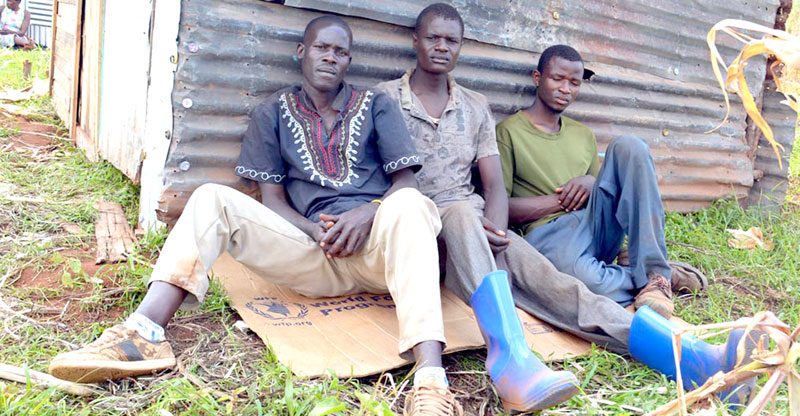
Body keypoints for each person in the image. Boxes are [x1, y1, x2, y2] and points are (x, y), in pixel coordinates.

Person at [50, 16, 463, 415]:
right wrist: (317, 233)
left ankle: (430, 382)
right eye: (322, 47)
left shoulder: (377, 105)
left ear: (350, 61)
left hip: (380, 255)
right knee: (212, 197)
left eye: (341, 51)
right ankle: (144, 332)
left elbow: (406, 183)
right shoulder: (273, 112)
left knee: (411, 205)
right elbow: (273, 201)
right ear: (302, 52)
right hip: (314, 254)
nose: (330, 57)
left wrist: (367, 214)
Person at [379, 8, 761, 409]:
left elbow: (492, 187)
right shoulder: (385, 99)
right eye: (433, 38)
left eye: (451, 40)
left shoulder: (475, 105)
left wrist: (496, 231)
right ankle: (511, 362)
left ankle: (696, 361)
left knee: (565, 290)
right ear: (415, 41)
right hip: (421, 231)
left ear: (460, 47)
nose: (441, 47)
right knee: (460, 213)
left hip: (477, 226)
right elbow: (373, 179)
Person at [497, 45, 705, 319]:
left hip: (596, 227)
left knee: (629, 146)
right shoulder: (509, 131)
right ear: (537, 78)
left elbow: (599, 192)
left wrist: (589, 183)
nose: (565, 89)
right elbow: (502, 208)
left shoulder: (583, 135)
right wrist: (560, 200)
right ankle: (647, 273)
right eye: (557, 79)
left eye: (574, 82)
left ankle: (655, 275)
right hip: (551, 235)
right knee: (586, 283)